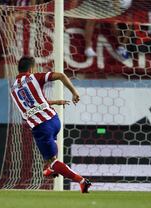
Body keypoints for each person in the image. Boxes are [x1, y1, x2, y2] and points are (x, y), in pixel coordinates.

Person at [10, 56, 91, 193]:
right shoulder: (34, 78)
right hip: (54, 120)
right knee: (48, 159)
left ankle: (82, 181)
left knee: (52, 159)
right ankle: (50, 169)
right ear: (31, 69)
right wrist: (73, 93)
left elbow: (30, 106)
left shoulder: (13, 90)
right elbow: (60, 75)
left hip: (41, 127)